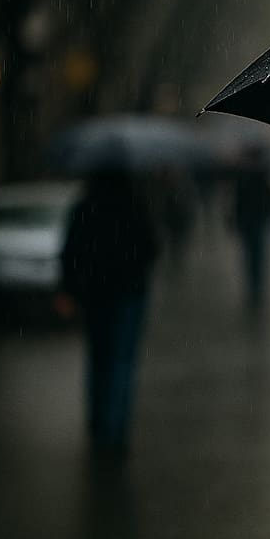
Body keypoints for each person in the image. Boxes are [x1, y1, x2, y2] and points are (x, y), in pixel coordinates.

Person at [59, 170, 160, 457]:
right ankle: (115, 431)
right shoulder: (134, 205)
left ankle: (97, 423)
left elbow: (70, 251)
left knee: (98, 359)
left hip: (95, 296)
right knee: (122, 362)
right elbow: (152, 248)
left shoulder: (85, 206)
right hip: (129, 295)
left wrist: (70, 288)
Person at [230, 145, 270, 310]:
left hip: (252, 222)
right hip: (256, 222)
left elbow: (239, 202)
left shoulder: (246, 176)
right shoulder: (262, 175)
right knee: (256, 255)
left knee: (252, 255)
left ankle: (254, 286)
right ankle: (255, 287)